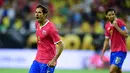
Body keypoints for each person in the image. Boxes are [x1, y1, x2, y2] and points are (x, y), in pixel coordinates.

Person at [29, 4, 64, 73]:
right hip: (37, 60)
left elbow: (61, 45)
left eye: (39, 12)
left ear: (45, 14)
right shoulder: (37, 24)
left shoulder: (51, 28)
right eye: (36, 12)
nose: (37, 14)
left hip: (47, 62)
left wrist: (54, 60)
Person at [100, 8, 128, 73]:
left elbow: (126, 34)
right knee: (118, 71)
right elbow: (106, 40)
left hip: (121, 51)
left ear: (115, 14)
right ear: (106, 16)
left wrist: (116, 27)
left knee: (112, 70)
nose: (111, 16)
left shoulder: (119, 22)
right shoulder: (107, 26)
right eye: (109, 15)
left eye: (113, 14)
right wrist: (103, 51)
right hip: (113, 51)